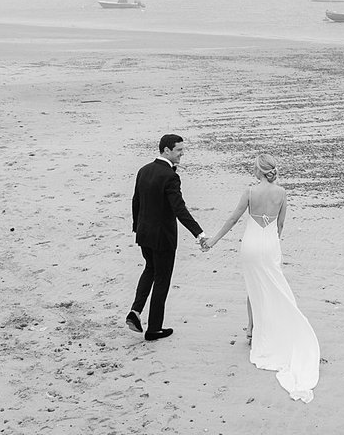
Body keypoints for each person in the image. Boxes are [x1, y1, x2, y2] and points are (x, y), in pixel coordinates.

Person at [203, 153, 319, 402]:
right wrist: (273, 243)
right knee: (271, 284)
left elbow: (233, 218)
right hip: (270, 244)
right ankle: (254, 327)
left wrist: (212, 241)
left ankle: (251, 330)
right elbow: (280, 225)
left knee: (253, 286)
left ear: (259, 171)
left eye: (253, 168)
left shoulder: (250, 191)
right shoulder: (282, 193)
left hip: (252, 243)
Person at [127, 134, 207, 341]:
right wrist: (198, 233)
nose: (182, 154)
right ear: (166, 150)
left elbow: (136, 202)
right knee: (162, 280)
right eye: (179, 150)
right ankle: (154, 328)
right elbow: (179, 209)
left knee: (149, 269)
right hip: (163, 238)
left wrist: (137, 227)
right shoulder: (170, 177)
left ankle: (135, 311)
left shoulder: (144, 170)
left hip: (144, 234)